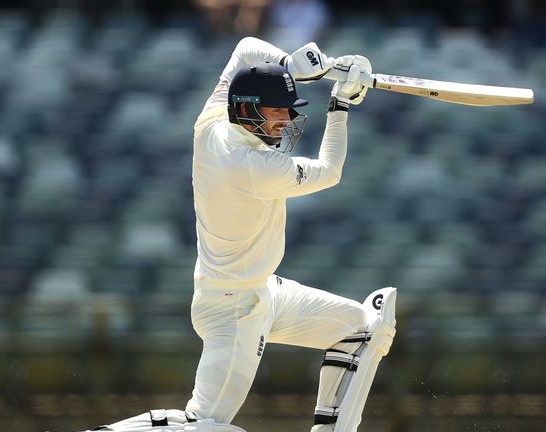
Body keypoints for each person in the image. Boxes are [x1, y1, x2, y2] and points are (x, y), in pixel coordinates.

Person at [80, 37, 397, 432]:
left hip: (262, 291)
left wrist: (289, 65)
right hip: (233, 308)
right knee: (207, 424)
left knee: (366, 328)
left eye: (288, 109)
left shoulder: (210, 123)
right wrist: (340, 104)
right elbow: (330, 171)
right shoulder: (252, 166)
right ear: (247, 110)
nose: (286, 118)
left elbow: (245, 48)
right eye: (277, 109)